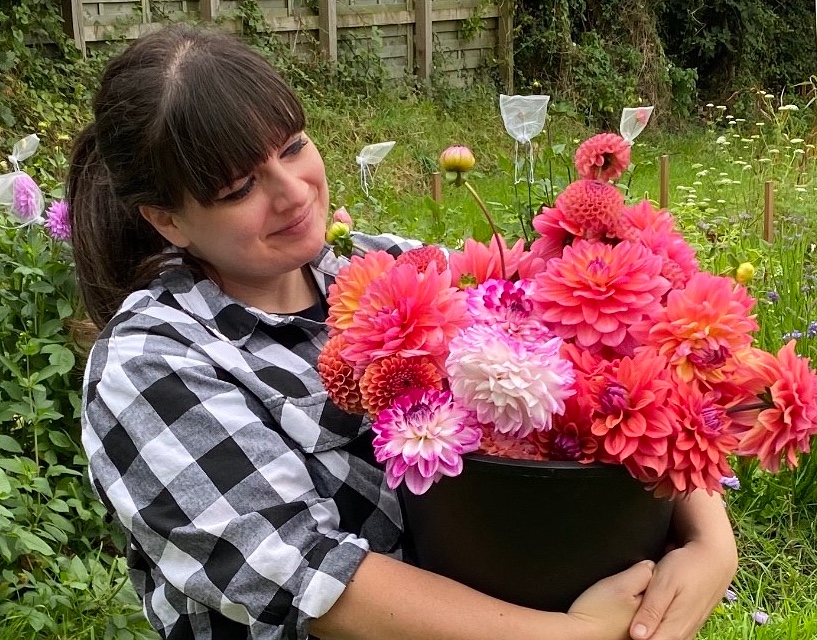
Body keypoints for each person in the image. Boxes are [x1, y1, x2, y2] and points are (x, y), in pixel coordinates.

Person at [67, 24, 737, 640]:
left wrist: (708, 538)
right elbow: (312, 579)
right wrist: (569, 636)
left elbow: (601, 361)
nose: (293, 191)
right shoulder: (151, 363)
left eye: (293, 147)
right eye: (241, 186)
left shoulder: (386, 263)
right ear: (168, 220)